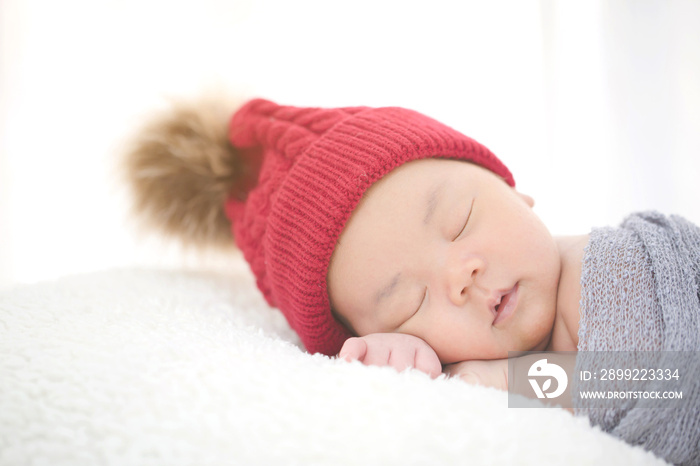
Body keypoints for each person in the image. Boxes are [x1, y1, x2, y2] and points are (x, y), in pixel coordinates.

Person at [124, 97, 699, 465]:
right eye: (410, 302)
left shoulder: (622, 265)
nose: (461, 276)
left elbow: (666, 383)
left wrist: (501, 380)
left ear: (511, 188)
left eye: (460, 220)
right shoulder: (463, 379)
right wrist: (409, 367)